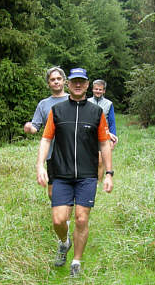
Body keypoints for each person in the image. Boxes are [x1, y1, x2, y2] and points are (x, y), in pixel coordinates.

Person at [36, 68, 114, 277]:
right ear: (68, 84)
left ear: (87, 85)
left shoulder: (96, 112)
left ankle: (76, 262)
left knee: (81, 219)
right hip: (61, 174)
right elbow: (46, 139)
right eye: (74, 82)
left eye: (82, 82)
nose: (78, 85)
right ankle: (64, 242)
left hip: (87, 176)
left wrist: (108, 173)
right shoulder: (58, 111)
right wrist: (40, 165)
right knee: (58, 220)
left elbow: (104, 144)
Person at [24, 66, 68, 200]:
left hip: (73, 151)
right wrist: (29, 127)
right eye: (52, 79)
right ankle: (61, 210)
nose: (56, 81)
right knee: (52, 192)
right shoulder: (43, 104)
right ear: (48, 83)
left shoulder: (74, 100)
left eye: (59, 79)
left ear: (64, 81)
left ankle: (66, 214)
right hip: (52, 153)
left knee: (71, 186)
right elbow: (35, 127)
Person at [88, 79, 118, 182]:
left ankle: (98, 183)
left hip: (103, 135)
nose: (98, 91)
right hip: (89, 135)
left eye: (100, 89)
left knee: (100, 161)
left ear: (104, 91)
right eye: (96, 89)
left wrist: (113, 137)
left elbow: (112, 122)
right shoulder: (87, 102)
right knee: (89, 161)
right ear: (92, 89)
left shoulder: (109, 104)